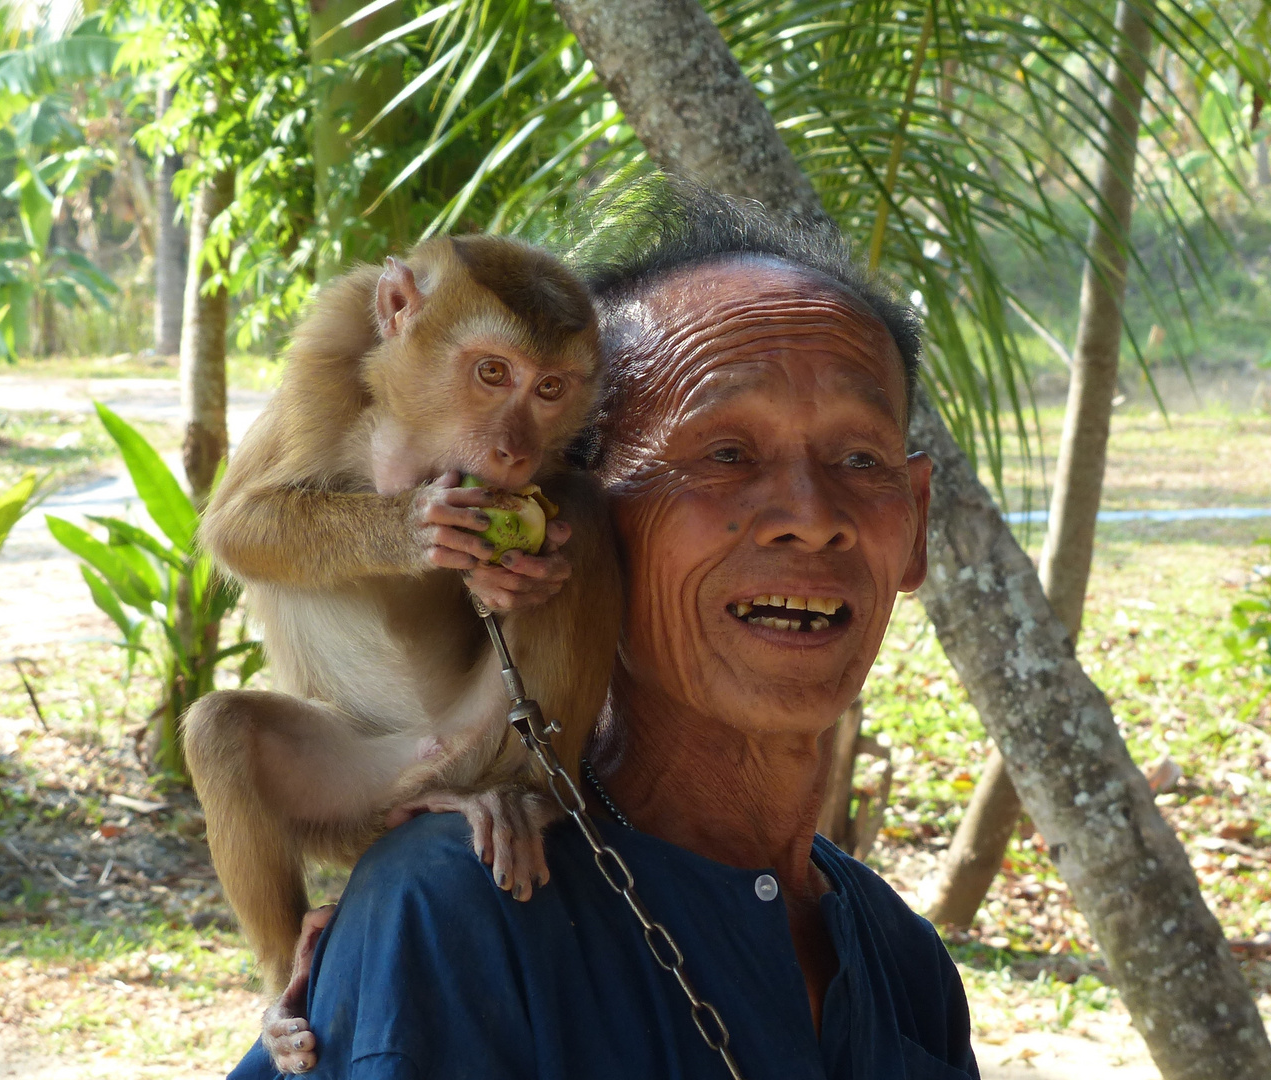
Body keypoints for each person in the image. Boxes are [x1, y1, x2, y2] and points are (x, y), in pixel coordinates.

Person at [228, 186, 977, 1079]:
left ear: (918, 522)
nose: (812, 521)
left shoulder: (902, 960)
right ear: (584, 513)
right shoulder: (451, 905)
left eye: (860, 461)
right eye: (726, 456)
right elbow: (245, 529)